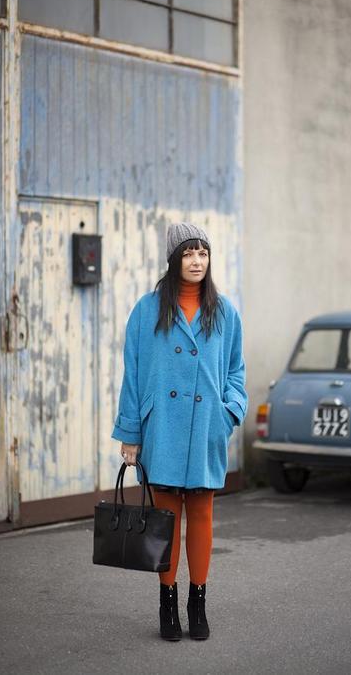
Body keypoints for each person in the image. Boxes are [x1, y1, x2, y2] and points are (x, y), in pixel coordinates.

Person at [111, 222, 248, 642]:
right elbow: (133, 377)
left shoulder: (224, 312)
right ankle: (167, 602)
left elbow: (236, 373)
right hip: (163, 430)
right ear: (174, 259)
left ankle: (198, 602)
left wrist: (230, 412)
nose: (196, 261)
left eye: (203, 253)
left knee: (202, 514)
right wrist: (130, 433)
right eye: (188, 253)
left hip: (207, 427)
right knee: (165, 520)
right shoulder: (146, 310)